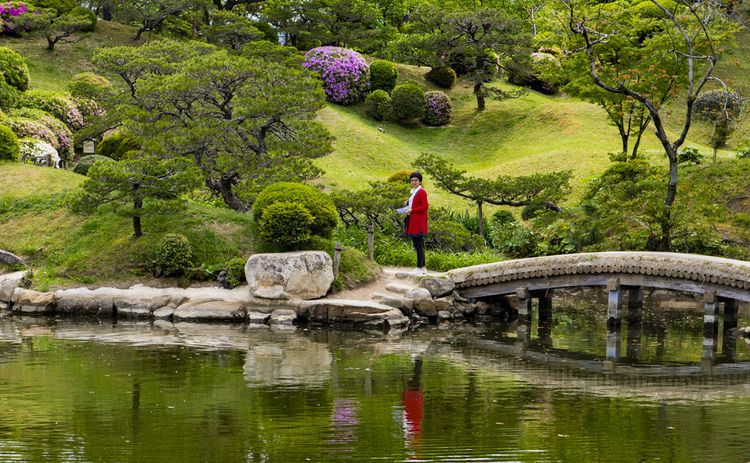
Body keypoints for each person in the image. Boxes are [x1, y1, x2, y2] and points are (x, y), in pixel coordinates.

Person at [405, 171, 428, 276]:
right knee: (418, 244)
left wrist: (412, 210)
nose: (413, 182)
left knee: (418, 244)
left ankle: (419, 267)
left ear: (420, 181)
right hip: (414, 220)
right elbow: (416, 203)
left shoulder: (421, 192)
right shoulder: (414, 191)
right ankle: (422, 267)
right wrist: (408, 203)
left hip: (418, 221)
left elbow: (425, 206)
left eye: (415, 180)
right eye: (412, 180)